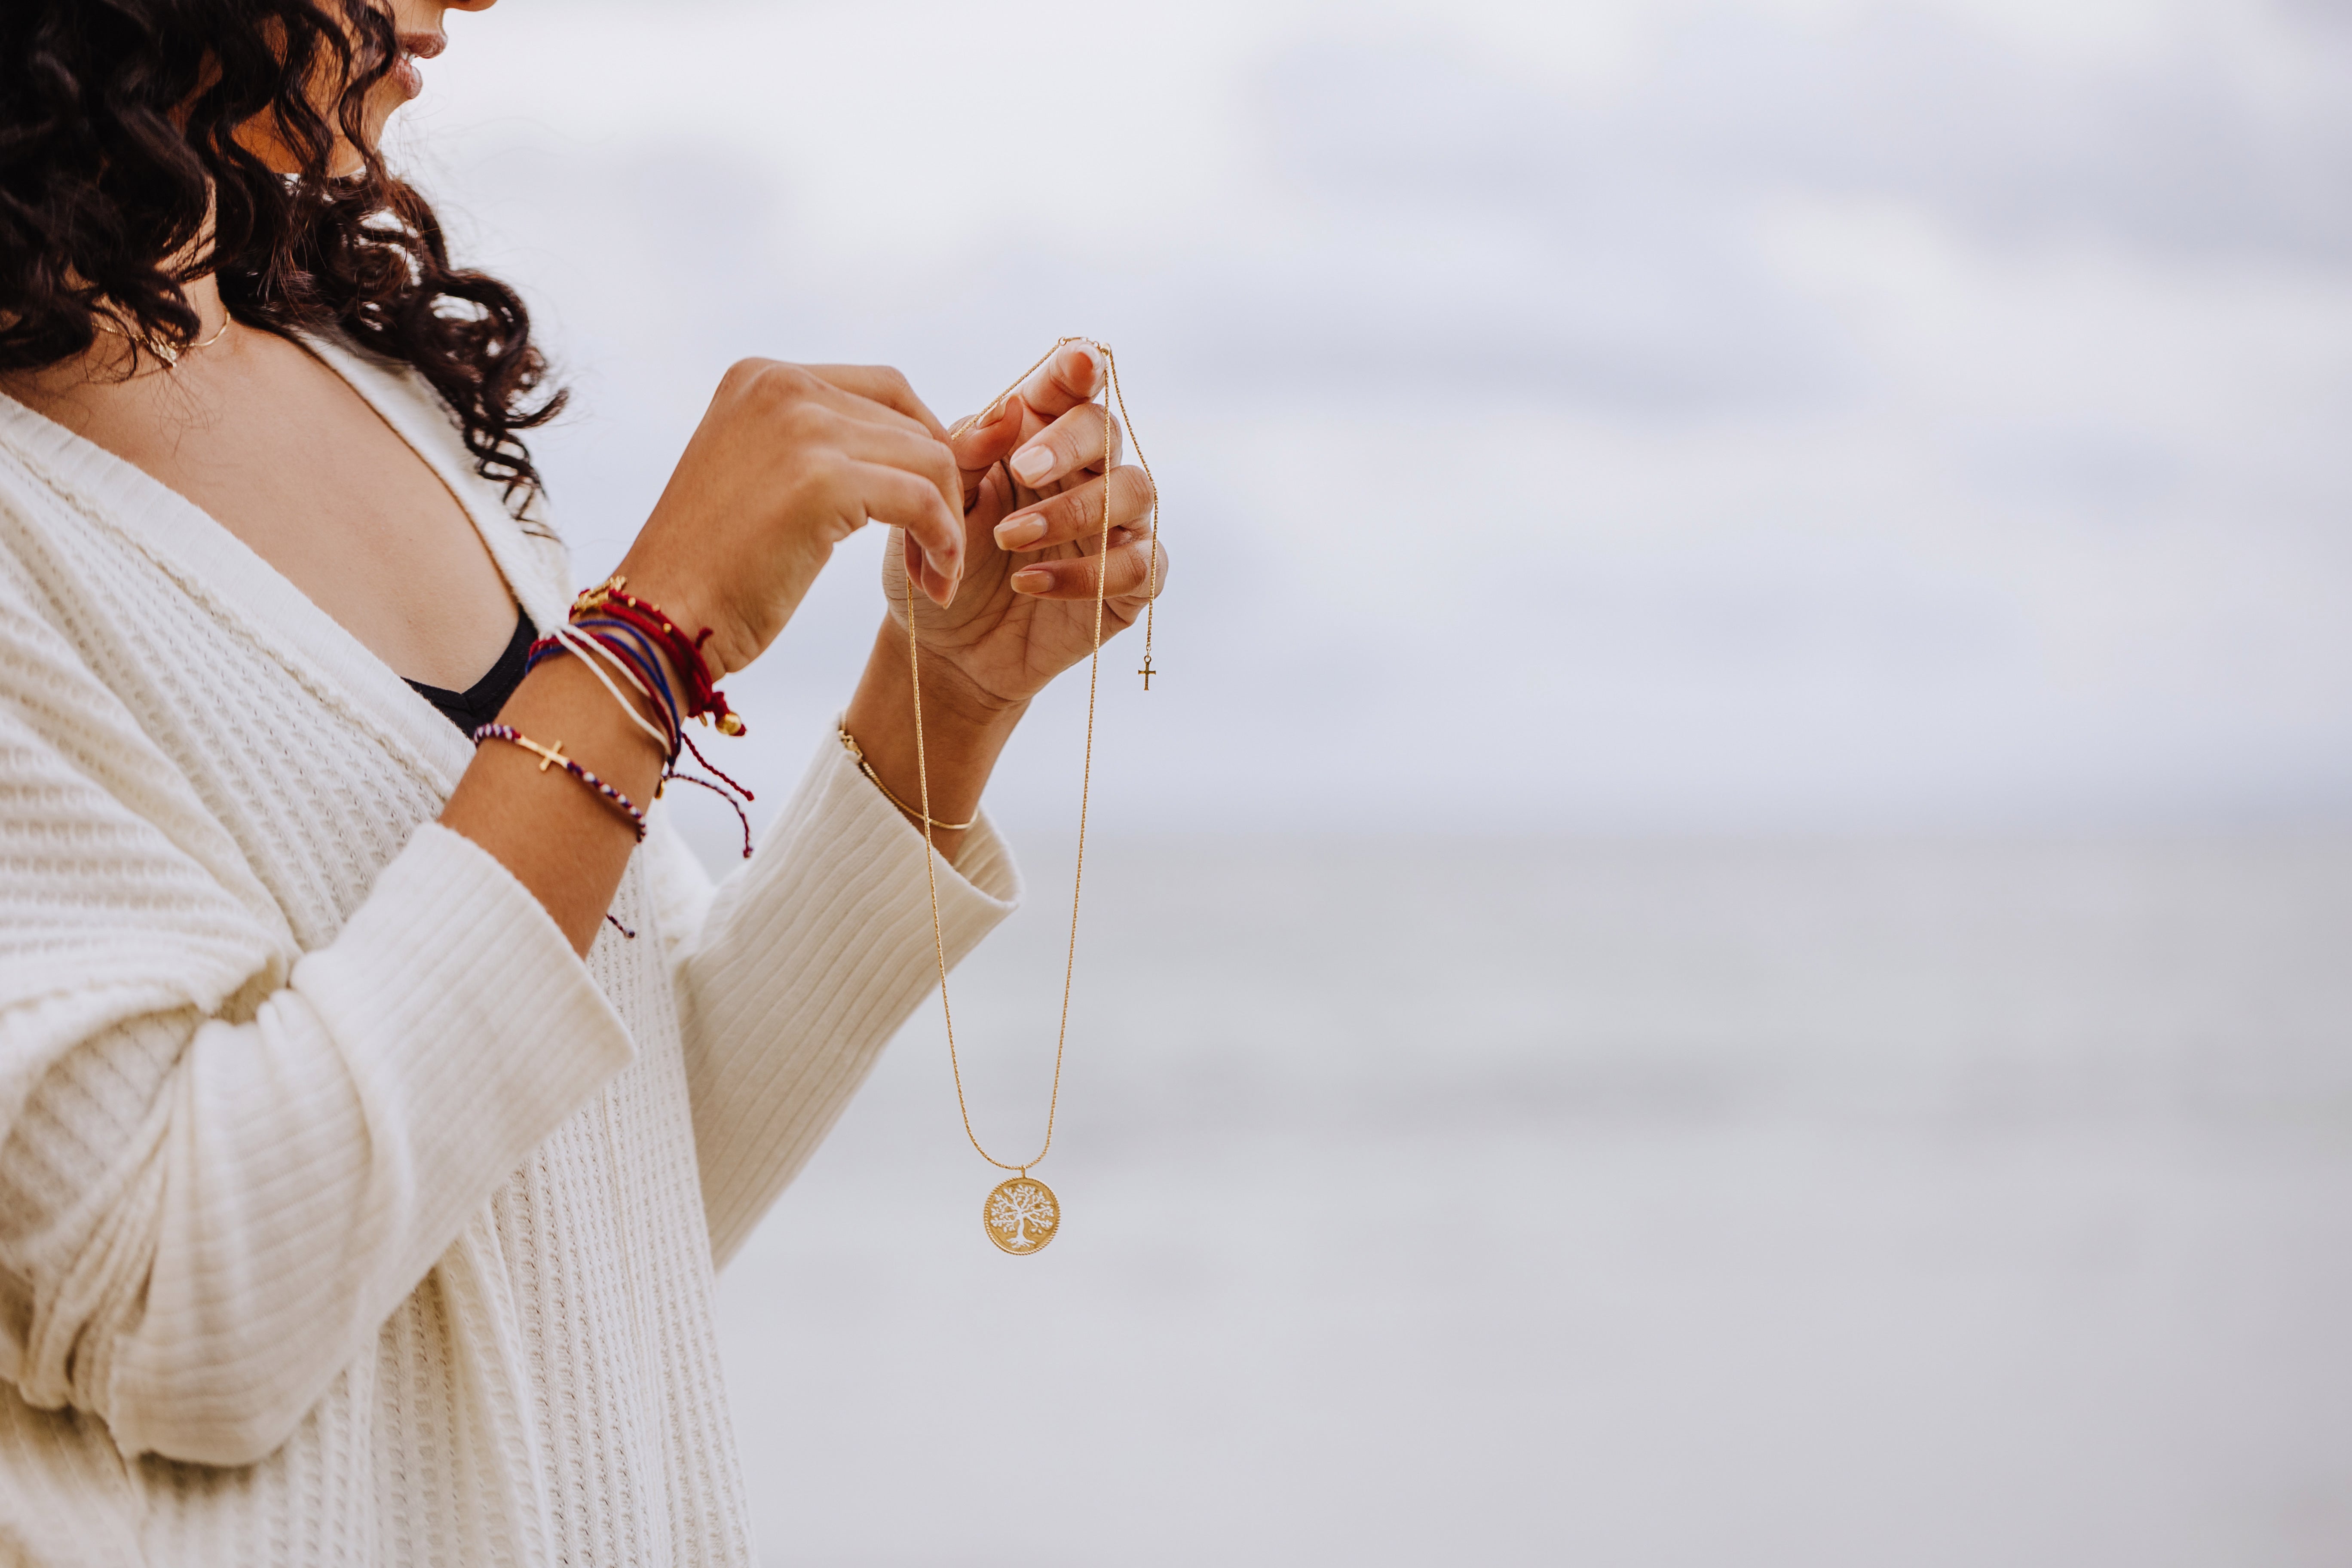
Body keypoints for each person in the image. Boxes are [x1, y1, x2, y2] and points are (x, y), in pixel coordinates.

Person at [0, 1, 1165, 1562]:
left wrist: (941, 697)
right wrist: (642, 647)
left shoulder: (382, 386)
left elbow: (617, 1180)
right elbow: (180, 1301)